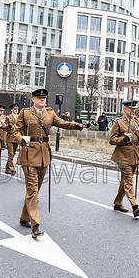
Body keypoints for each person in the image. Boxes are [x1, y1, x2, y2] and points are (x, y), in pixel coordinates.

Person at [15, 88, 84, 238]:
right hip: (29, 153)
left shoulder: (50, 113)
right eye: (39, 98)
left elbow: (61, 123)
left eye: (44, 98)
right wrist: (20, 139)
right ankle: (35, 225)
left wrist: (75, 125)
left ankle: (24, 217)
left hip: (43, 154)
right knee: (32, 189)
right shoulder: (25, 113)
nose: (42, 100)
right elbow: (15, 131)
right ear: (33, 99)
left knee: (36, 188)